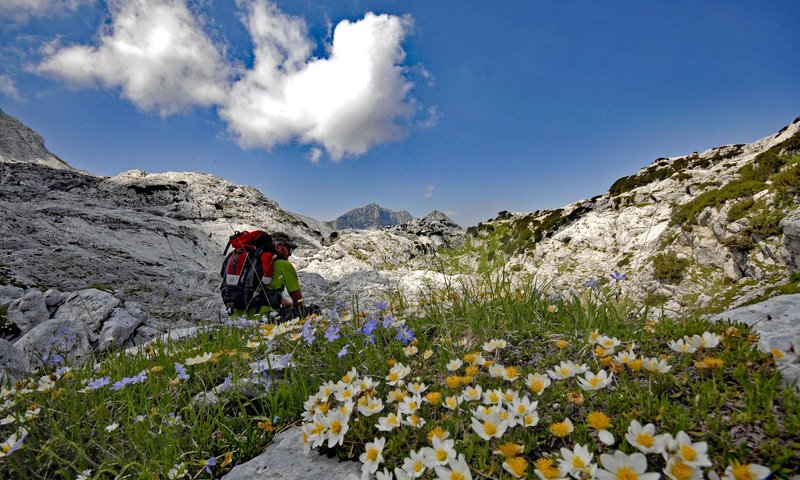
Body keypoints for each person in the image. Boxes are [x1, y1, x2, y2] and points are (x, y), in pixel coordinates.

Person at [261, 232, 317, 322]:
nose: (290, 254)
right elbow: (298, 301)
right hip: (267, 320)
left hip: (238, 320)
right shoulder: (284, 265)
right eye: (289, 249)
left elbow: (258, 290)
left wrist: (281, 299)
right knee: (314, 310)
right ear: (278, 247)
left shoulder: (256, 262)